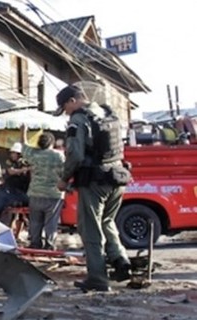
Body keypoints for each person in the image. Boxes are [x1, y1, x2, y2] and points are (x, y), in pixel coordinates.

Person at [55, 84, 132, 292]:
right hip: (117, 176)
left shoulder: (79, 119)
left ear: (72, 101)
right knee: (107, 221)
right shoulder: (107, 112)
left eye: (65, 108)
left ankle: (97, 278)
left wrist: (64, 179)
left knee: (90, 228)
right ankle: (120, 259)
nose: (66, 113)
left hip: (94, 180)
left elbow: (76, 155)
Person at [20, 127, 65, 250]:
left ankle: (35, 244)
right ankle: (50, 245)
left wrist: (23, 131)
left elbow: (23, 145)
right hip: (54, 194)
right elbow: (65, 173)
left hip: (35, 193)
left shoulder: (33, 154)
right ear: (52, 142)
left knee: (35, 221)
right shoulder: (59, 156)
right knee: (51, 222)